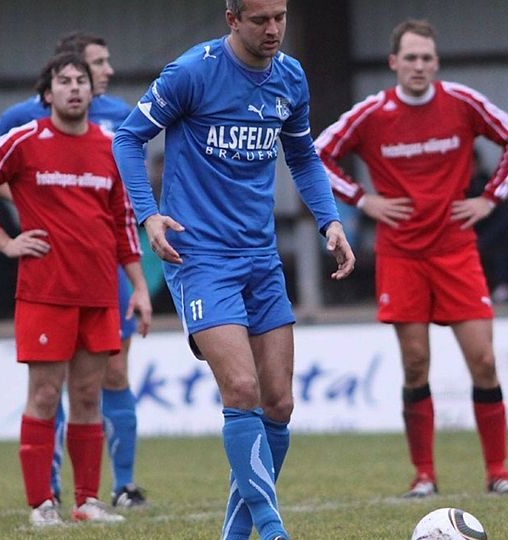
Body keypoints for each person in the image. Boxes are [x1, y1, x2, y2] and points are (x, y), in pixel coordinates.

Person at [111, 1, 355, 539]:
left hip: (261, 259)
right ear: (232, 19)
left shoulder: (290, 77)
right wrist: (148, 215)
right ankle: (271, 529)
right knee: (240, 389)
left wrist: (329, 221)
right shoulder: (192, 72)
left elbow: (303, 156)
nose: (273, 30)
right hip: (199, 258)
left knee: (279, 402)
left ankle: (236, 535)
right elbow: (127, 138)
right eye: (260, 20)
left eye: (280, 18)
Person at [316, 19, 508, 498]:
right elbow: (316, 155)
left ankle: (499, 472)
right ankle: (424, 476)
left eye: (426, 58)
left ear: (436, 62)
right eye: (409, 57)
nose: (418, 66)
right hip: (401, 255)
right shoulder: (372, 112)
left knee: (485, 360)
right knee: (415, 364)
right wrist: (362, 199)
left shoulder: (461, 102)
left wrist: (491, 198)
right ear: (394, 62)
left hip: (456, 251)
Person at [0, 53, 151, 526]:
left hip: (100, 292)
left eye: (81, 81)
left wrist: (139, 289)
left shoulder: (109, 146)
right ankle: (42, 504)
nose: (74, 88)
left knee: (88, 396)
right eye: (64, 81)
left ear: (91, 91)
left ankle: (87, 502)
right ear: (48, 94)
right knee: (45, 395)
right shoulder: (24, 140)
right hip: (45, 293)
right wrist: (5, 242)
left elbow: (124, 223)